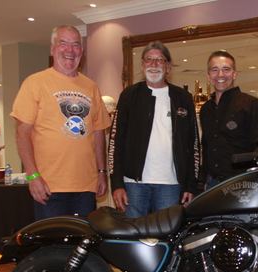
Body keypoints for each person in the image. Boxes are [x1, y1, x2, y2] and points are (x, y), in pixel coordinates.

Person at [11, 25, 111, 220]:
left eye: (76, 45)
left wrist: (101, 172)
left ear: (81, 51)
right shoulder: (35, 83)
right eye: (63, 43)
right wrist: (33, 176)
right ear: (52, 48)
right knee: (53, 240)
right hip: (49, 187)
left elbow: (98, 132)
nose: (70, 50)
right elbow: (22, 134)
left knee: (84, 238)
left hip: (86, 187)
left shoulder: (91, 87)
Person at [109, 41, 199, 218]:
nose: (154, 64)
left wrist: (191, 185)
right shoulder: (129, 96)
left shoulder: (183, 98)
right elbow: (115, 142)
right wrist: (117, 183)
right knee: (133, 232)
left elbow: (193, 144)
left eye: (160, 60)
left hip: (170, 184)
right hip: (133, 184)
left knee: (166, 232)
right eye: (149, 59)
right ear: (142, 65)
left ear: (168, 67)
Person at [199, 50, 258, 188]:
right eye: (215, 70)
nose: (220, 75)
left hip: (241, 182)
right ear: (208, 75)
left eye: (226, 69)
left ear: (234, 74)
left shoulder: (251, 104)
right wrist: (201, 181)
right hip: (211, 184)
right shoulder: (205, 109)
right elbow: (206, 148)